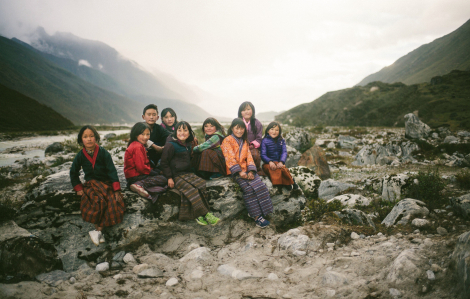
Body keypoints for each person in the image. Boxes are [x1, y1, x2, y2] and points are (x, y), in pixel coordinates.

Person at [70, 125, 125, 246]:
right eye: (85, 137)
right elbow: (73, 172)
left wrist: (116, 189)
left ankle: (97, 231)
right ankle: (98, 231)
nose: (89, 139)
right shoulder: (80, 155)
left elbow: (112, 171)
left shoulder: (104, 153)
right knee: (96, 200)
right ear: (81, 140)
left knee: (112, 200)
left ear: (96, 138)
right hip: (91, 184)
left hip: (106, 183)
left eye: (91, 136)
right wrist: (78, 188)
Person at [160, 121, 220, 225]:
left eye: (185, 130)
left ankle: (198, 213)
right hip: (176, 175)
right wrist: (169, 177)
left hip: (187, 173)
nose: (182, 133)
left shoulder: (188, 144)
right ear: (175, 132)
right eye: (179, 130)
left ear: (189, 132)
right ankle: (204, 214)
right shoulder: (170, 145)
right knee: (191, 190)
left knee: (201, 183)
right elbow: (164, 163)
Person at [221, 118, 273, 228]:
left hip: (246, 169)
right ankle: (256, 216)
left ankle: (265, 211)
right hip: (234, 170)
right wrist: (239, 172)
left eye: (242, 129)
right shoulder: (227, 140)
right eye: (237, 128)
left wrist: (251, 171)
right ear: (232, 128)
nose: (239, 131)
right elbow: (229, 158)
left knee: (260, 185)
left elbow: (249, 157)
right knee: (248, 189)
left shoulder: (245, 141)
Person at [124, 122, 168, 203]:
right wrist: (155, 173)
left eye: (148, 134)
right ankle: (140, 184)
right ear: (135, 134)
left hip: (134, 176)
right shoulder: (137, 147)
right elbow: (141, 168)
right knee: (164, 179)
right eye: (142, 134)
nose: (145, 137)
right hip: (136, 176)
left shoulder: (136, 144)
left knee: (162, 180)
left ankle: (140, 187)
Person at [260, 122, 298, 190]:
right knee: (274, 170)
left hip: (279, 162)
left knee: (283, 169)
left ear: (279, 132)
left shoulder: (281, 140)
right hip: (268, 164)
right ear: (268, 131)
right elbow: (263, 154)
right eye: (272, 129)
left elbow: (284, 152)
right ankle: (280, 184)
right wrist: (270, 161)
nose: (274, 131)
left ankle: (290, 182)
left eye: (277, 130)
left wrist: (281, 161)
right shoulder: (264, 141)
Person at [238, 101, 264, 175]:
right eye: (243, 110)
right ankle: (241, 171)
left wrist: (252, 145)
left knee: (255, 156)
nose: (246, 112)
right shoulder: (238, 122)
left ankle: (254, 170)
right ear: (240, 113)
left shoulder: (257, 123)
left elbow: (259, 139)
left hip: (252, 147)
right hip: (239, 146)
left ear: (252, 110)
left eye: (248, 109)